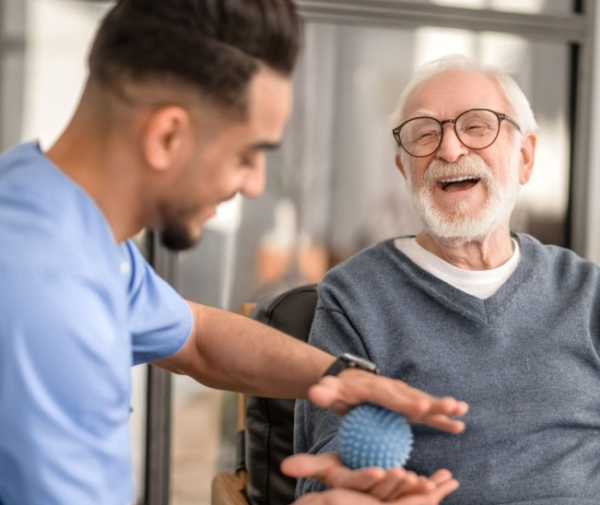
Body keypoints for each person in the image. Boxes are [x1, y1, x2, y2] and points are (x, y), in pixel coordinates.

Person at [0, 2, 470, 504]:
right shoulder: (47, 299)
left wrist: (339, 378)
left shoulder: (51, 212)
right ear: (168, 136)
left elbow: (198, 338)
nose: (255, 184)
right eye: (247, 155)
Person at [295, 53, 600, 504]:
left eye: (476, 126)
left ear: (525, 157)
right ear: (405, 169)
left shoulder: (587, 291)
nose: (450, 150)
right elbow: (327, 470)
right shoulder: (354, 297)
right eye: (425, 133)